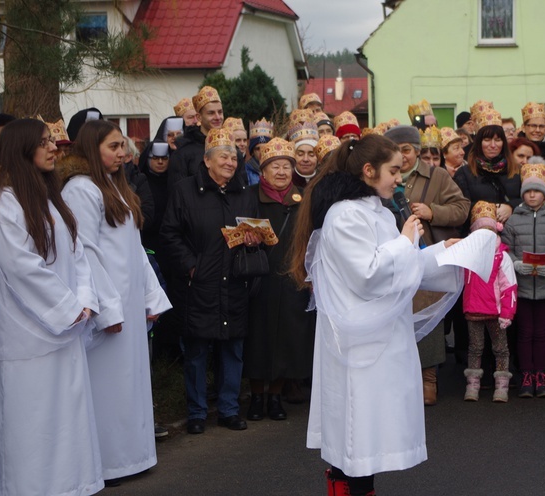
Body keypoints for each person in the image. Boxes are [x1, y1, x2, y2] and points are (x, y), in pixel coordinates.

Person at [288, 134, 462, 496]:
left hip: (380, 337)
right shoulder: (343, 216)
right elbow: (367, 275)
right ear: (368, 171)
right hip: (357, 345)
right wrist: (405, 240)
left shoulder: (377, 211)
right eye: (393, 171)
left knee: (365, 438)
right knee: (355, 436)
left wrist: (441, 253)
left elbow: (403, 267)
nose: (399, 178)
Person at [0, 118, 103, 496]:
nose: (53, 147)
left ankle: (70, 487)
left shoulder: (49, 199)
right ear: (22, 148)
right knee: (31, 428)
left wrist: (85, 301)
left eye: (52, 141)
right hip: (25, 338)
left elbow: (78, 255)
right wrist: (68, 307)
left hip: (63, 332)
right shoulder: (4, 204)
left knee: (66, 425)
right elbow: (21, 268)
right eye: (44, 142)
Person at [59, 119, 172, 482]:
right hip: (110, 305)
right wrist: (107, 308)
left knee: (132, 381)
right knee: (109, 385)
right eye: (113, 146)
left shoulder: (115, 187)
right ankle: (109, 462)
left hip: (130, 302)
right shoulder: (81, 189)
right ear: (93, 149)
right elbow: (85, 254)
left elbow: (135, 250)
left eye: (123, 146)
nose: (122, 153)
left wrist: (151, 297)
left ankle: (133, 455)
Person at [160, 128, 260, 435]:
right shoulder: (184, 190)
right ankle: (197, 412)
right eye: (223, 157)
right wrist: (192, 266)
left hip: (235, 281)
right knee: (197, 351)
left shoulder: (244, 191)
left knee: (233, 349)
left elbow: (257, 232)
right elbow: (170, 234)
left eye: (234, 157)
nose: (231, 162)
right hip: (200, 282)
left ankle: (229, 410)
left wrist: (255, 241)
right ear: (206, 160)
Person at [385, 124, 469, 405]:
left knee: (428, 319)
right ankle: (398, 383)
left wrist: (434, 212)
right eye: (396, 152)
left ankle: (428, 381)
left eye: (406, 150)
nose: (402, 157)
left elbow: (462, 208)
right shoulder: (382, 178)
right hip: (393, 260)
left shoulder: (437, 175)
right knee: (396, 321)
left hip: (427, 258)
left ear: (418, 151)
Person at [243, 138, 315, 421]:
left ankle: (275, 396)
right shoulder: (249, 196)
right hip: (258, 278)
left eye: (286, 166)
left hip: (291, 278)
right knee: (257, 339)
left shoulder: (303, 199)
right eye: (275, 166)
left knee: (288, 339)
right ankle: (256, 396)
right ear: (263, 171)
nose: (282, 172)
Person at [501, 160, 545, 399]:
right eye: (528, 191)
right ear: (523, 194)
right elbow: (505, 249)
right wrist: (515, 262)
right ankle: (526, 375)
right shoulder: (513, 220)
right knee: (524, 332)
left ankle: (540, 375)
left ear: (544, 193)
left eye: (537, 191)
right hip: (520, 287)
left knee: (541, 333)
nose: (532, 195)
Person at [462, 201, 517, 402]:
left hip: (496, 313)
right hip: (473, 311)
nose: (485, 234)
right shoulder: (466, 254)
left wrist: (507, 313)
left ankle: (501, 386)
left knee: (500, 349)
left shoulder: (501, 256)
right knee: (475, 348)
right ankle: (473, 385)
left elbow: (509, 287)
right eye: (481, 229)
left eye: (489, 229)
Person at [454, 109, 521, 224]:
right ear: (479, 142)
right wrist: (488, 210)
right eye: (487, 140)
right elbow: (460, 207)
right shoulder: (464, 173)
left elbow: (529, 199)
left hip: (512, 233)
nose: (493, 145)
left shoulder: (516, 170)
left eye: (498, 140)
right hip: (477, 233)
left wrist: (511, 207)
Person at [168, 86, 224, 190]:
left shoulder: (232, 149)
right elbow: (178, 193)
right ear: (199, 117)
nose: (217, 117)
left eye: (220, 112)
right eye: (211, 113)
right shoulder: (183, 152)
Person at [290, 122, 320, 187]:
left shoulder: (324, 181)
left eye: (311, 154)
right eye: (300, 154)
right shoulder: (286, 182)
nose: (305, 159)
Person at [245, 118, 275, 185]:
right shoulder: (245, 171)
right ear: (252, 151)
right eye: (258, 149)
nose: (262, 151)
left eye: (265, 148)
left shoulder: (278, 170)